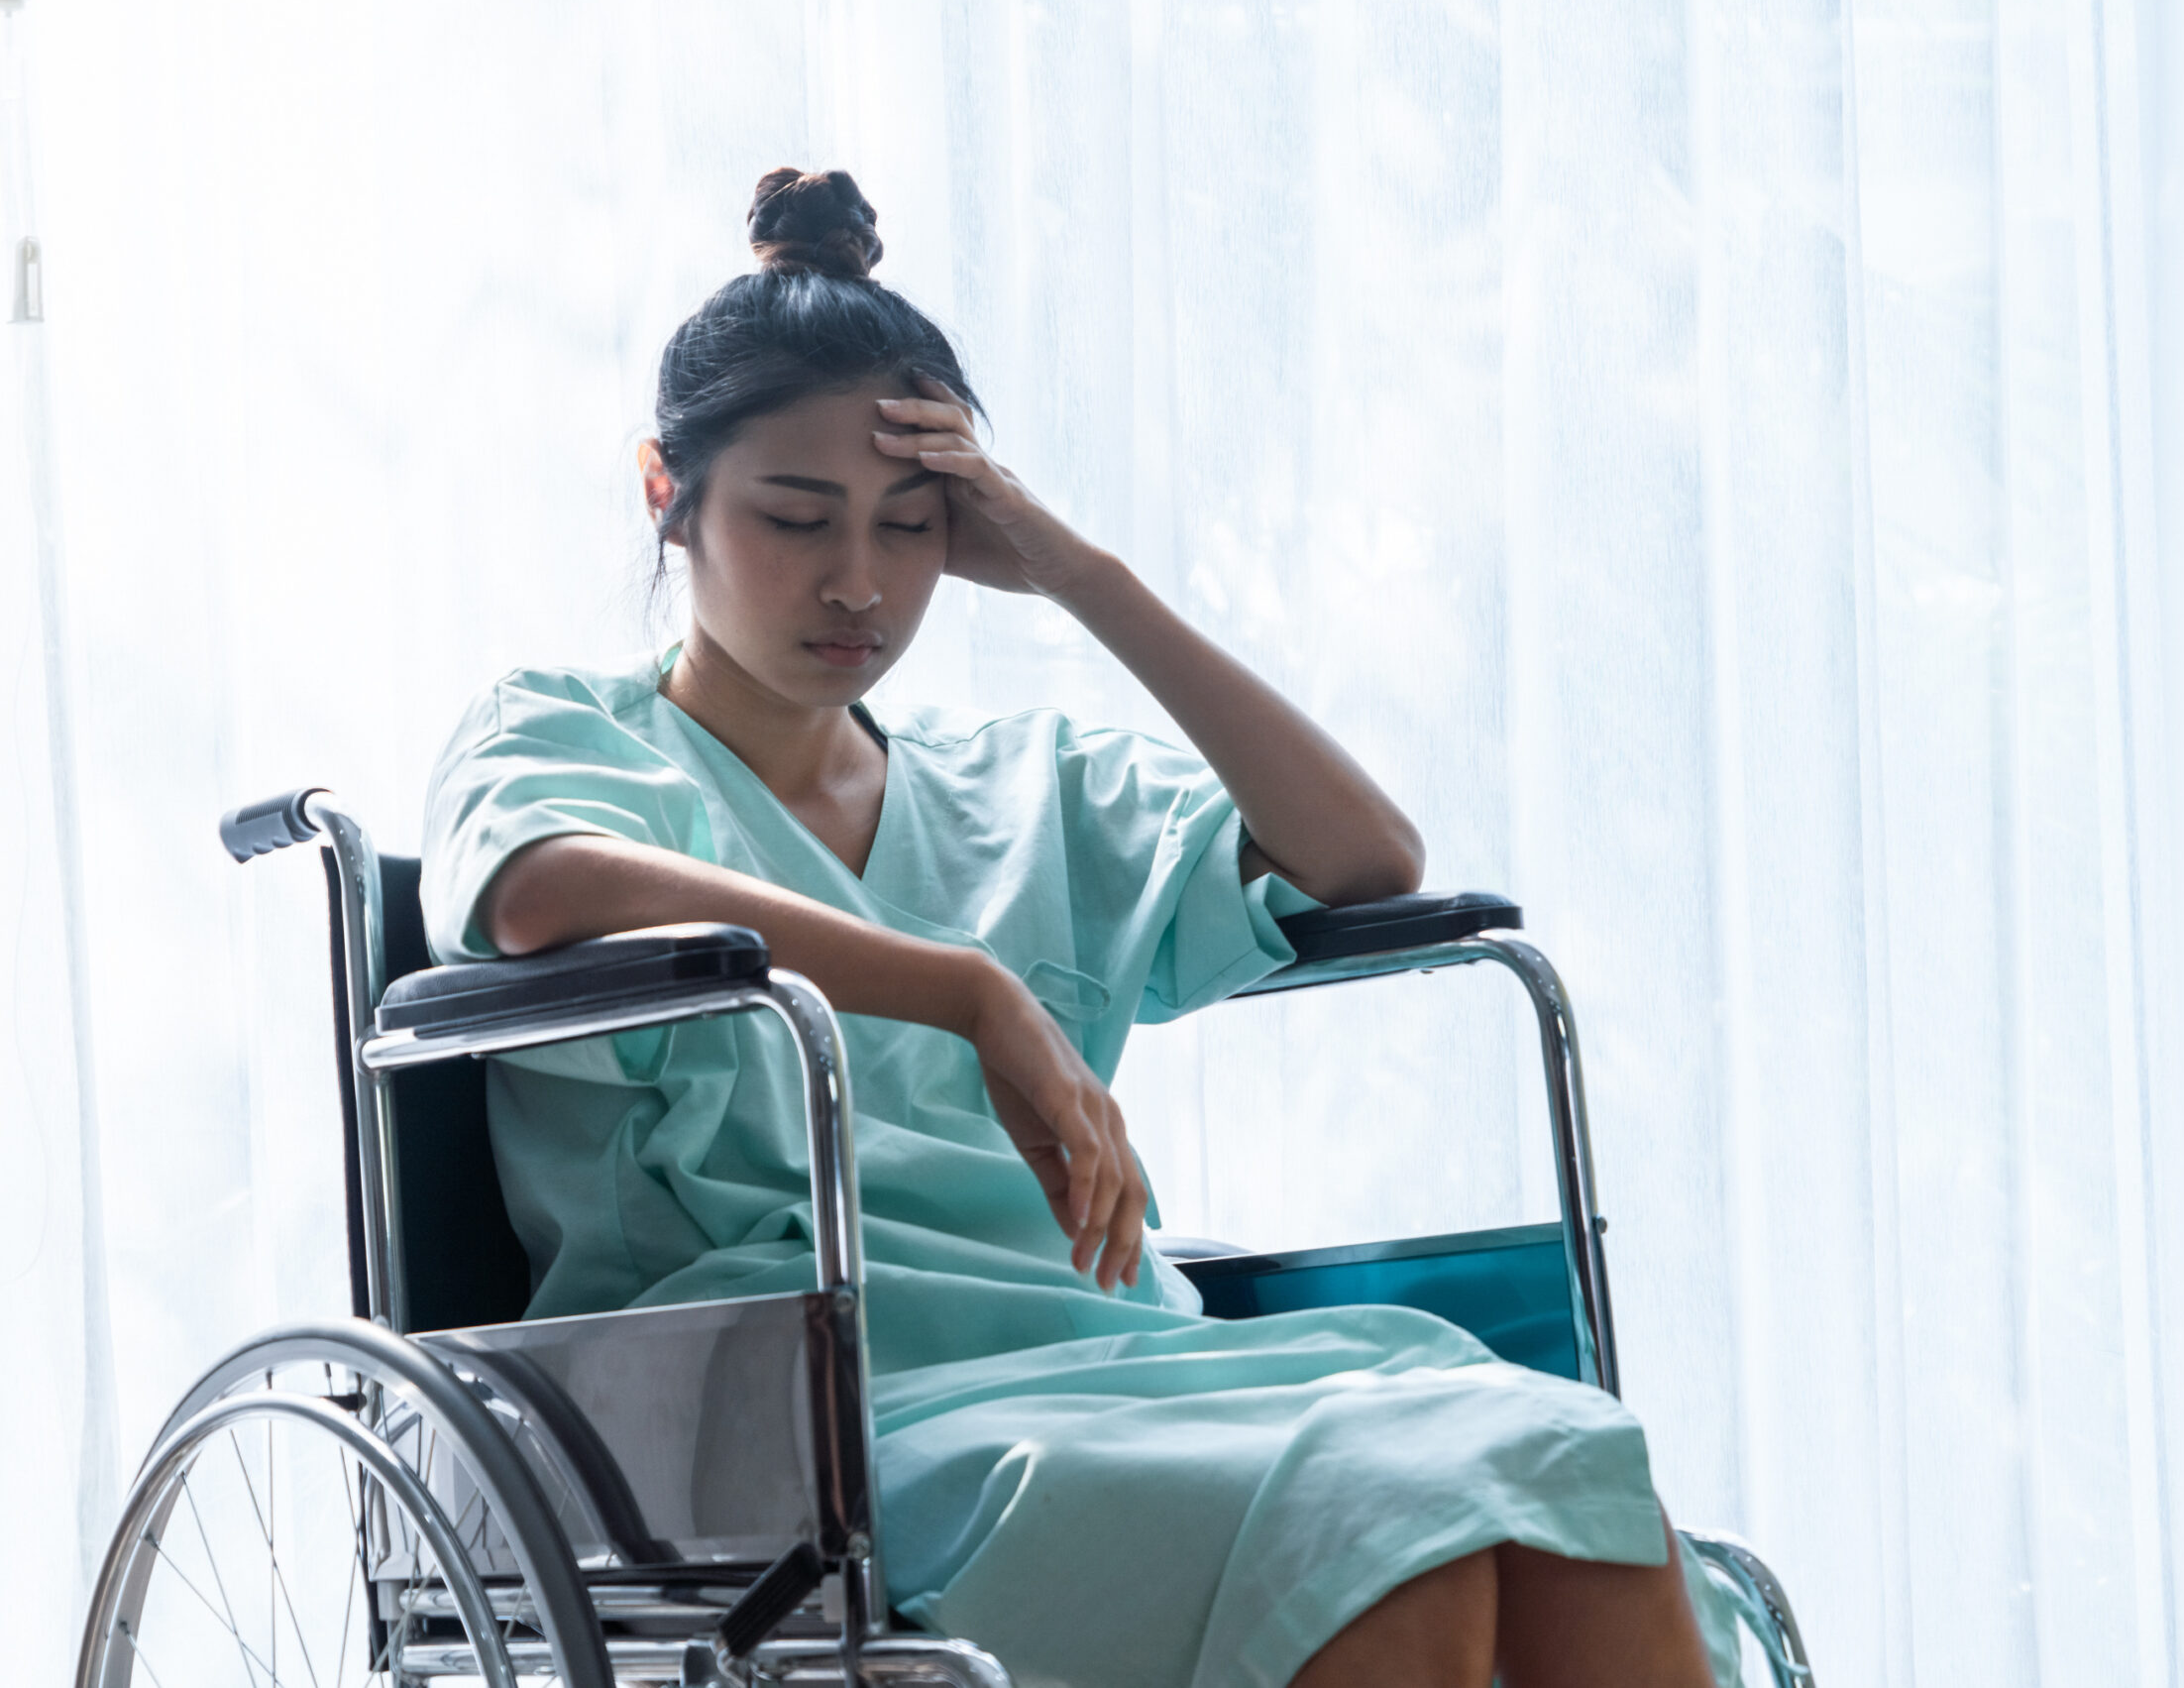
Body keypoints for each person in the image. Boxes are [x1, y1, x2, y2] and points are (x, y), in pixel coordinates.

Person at [421, 166, 1719, 1688]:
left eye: (912, 528)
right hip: (803, 1425)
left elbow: (1366, 856)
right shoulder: (566, 736)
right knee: (1383, 1529)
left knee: (1545, 1457)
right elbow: (539, 890)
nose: (859, 581)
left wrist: (1076, 573)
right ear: (667, 493)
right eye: (796, 517)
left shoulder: (1017, 788)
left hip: (1118, 1356)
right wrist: (965, 990)